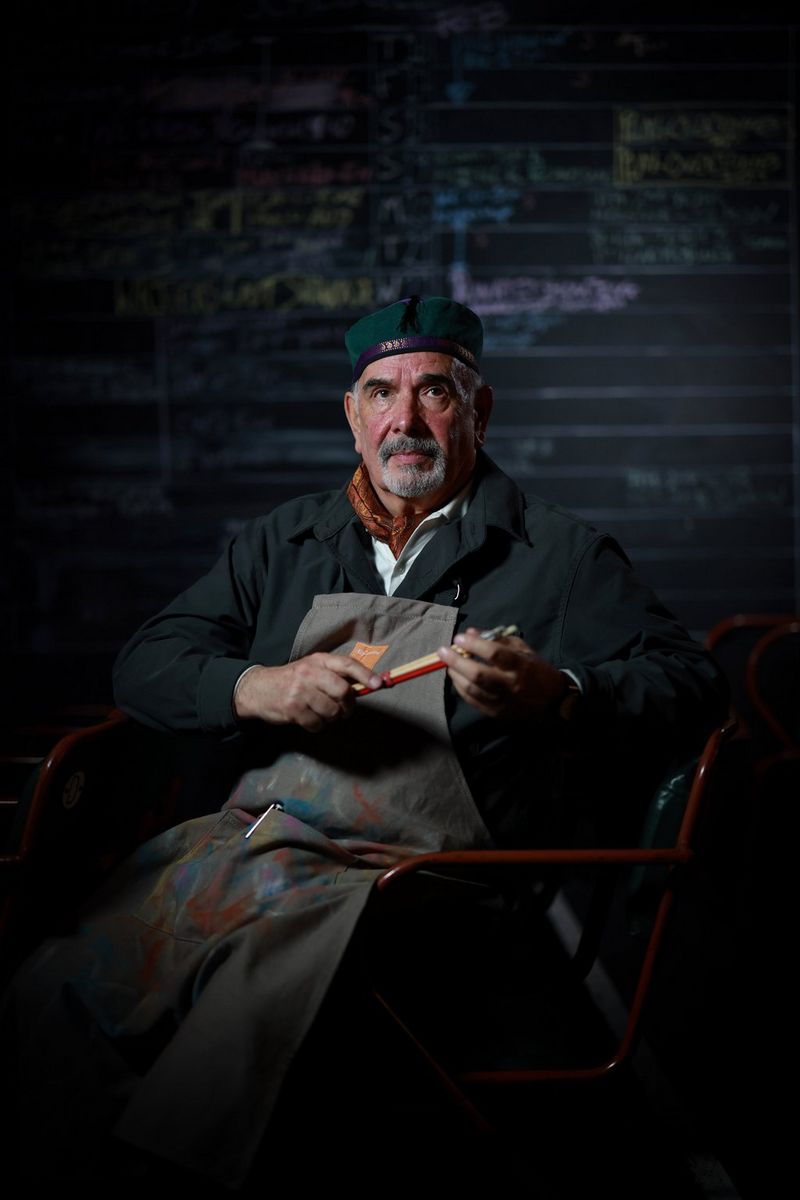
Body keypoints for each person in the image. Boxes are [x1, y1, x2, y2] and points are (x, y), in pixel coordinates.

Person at [5, 296, 728, 1189]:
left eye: (436, 393)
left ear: (478, 410)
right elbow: (145, 662)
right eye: (382, 393)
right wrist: (253, 685)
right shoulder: (285, 540)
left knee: (244, 979)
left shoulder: (560, 557)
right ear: (353, 416)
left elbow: (693, 682)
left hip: (428, 880)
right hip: (257, 842)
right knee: (72, 968)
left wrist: (562, 692)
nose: (407, 420)